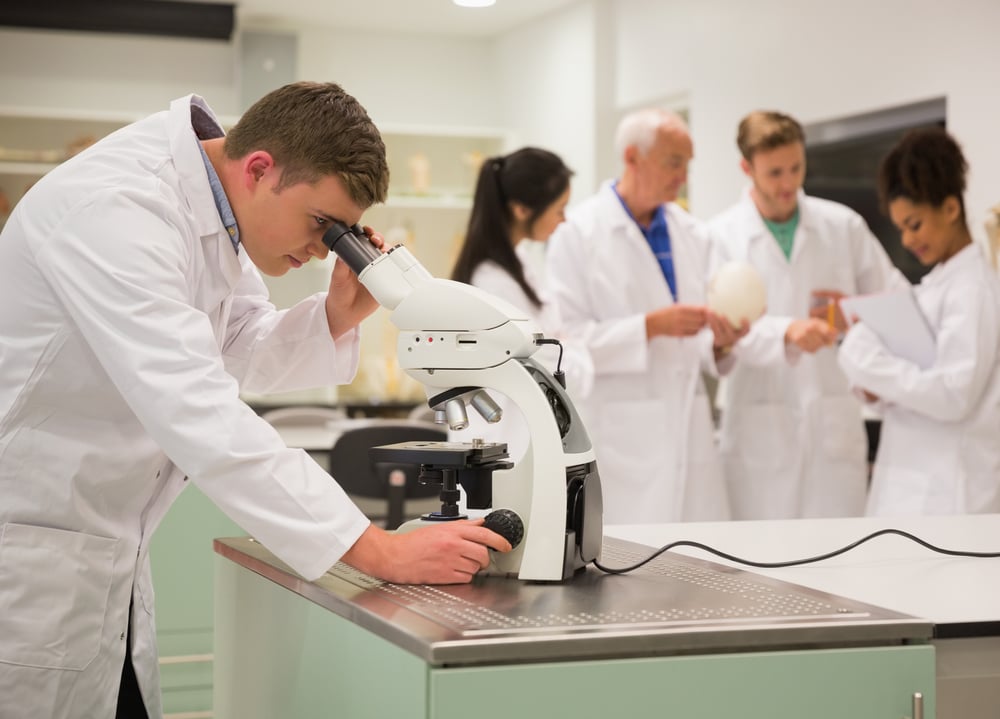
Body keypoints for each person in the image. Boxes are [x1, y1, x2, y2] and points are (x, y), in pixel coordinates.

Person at [0, 81, 510, 719]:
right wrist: (373, 547)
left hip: (101, 560)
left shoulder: (220, 209)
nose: (323, 249)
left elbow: (237, 345)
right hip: (30, 557)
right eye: (322, 225)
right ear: (261, 168)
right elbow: (197, 407)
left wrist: (334, 317)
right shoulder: (118, 209)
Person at [545, 109, 745, 525]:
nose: (683, 176)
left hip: (689, 433)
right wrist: (650, 327)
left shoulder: (694, 233)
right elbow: (565, 344)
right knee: (626, 564)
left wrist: (723, 340)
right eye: (674, 163)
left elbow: (702, 344)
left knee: (701, 562)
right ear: (633, 157)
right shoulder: (577, 233)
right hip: (621, 434)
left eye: (687, 164)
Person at [707, 110, 907, 520]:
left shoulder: (843, 227)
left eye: (796, 168)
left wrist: (850, 314)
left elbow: (896, 305)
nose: (788, 184)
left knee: (836, 562)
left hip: (831, 423)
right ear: (747, 168)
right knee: (756, 565)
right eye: (774, 172)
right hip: (758, 432)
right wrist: (786, 333)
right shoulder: (719, 236)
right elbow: (718, 335)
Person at [838, 127, 1000, 515]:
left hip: (949, 493)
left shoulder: (973, 289)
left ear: (950, 208)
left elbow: (953, 395)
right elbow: (918, 381)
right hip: (913, 482)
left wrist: (867, 363)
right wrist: (879, 386)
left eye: (915, 224)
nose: (908, 241)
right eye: (901, 229)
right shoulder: (935, 285)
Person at [449, 147, 592, 459]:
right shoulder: (494, 284)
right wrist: (572, 347)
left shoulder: (517, 265)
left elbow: (554, 353)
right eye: (559, 209)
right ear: (522, 210)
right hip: (505, 443)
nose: (564, 219)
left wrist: (567, 346)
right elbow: (552, 372)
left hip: (520, 438)